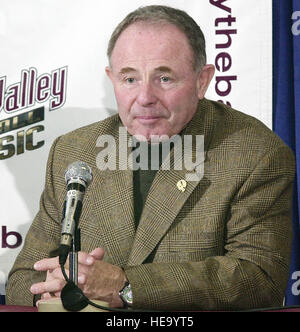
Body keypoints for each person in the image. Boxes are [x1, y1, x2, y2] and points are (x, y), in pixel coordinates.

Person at [6, 5, 295, 311]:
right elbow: (24, 279)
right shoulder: (75, 150)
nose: (144, 97)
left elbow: (260, 281)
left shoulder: (254, 154)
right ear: (111, 78)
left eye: (165, 78)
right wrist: (55, 291)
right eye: (129, 79)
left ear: (202, 80)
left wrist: (125, 286)